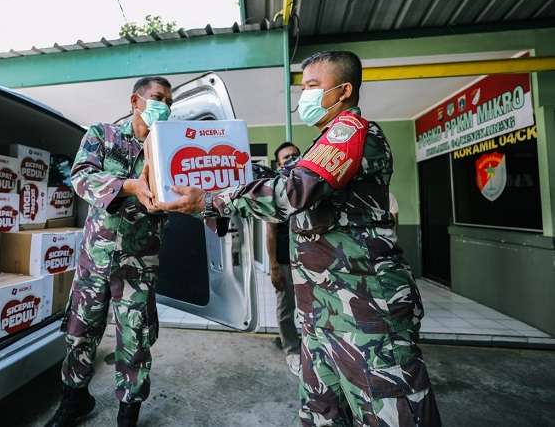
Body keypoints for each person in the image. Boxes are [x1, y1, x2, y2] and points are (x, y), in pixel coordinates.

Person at [155, 51, 441, 426]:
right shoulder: (320, 146)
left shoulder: (351, 132)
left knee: (391, 414)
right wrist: (214, 176)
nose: (303, 95)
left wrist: (210, 199)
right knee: (322, 415)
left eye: (312, 85)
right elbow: (280, 179)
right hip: (322, 315)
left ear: (343, 90)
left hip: (367, 316)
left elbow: (293, 191)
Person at [44, 76, 173, 427]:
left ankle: (129, 411)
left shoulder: (169, 146)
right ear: (136, 101)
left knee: (135, 337)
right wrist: (128, 185)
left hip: (139, 262)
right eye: (158, 98)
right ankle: (74, 400)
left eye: (169, 101)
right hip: (96, 258)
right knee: (79, 331)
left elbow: (186, 189)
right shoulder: (104, 135)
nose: (165, 106)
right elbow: (82, 177)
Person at [266, 142, 302, 375]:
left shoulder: (310, 187)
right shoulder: (276, 192)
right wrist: (274, 265)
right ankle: (292, 350)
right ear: (279, 165)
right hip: (286, 262)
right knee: (286, 308)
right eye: (287, 158)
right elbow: (270, 231)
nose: (292, 159)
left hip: (311, 263)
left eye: (296, 156)